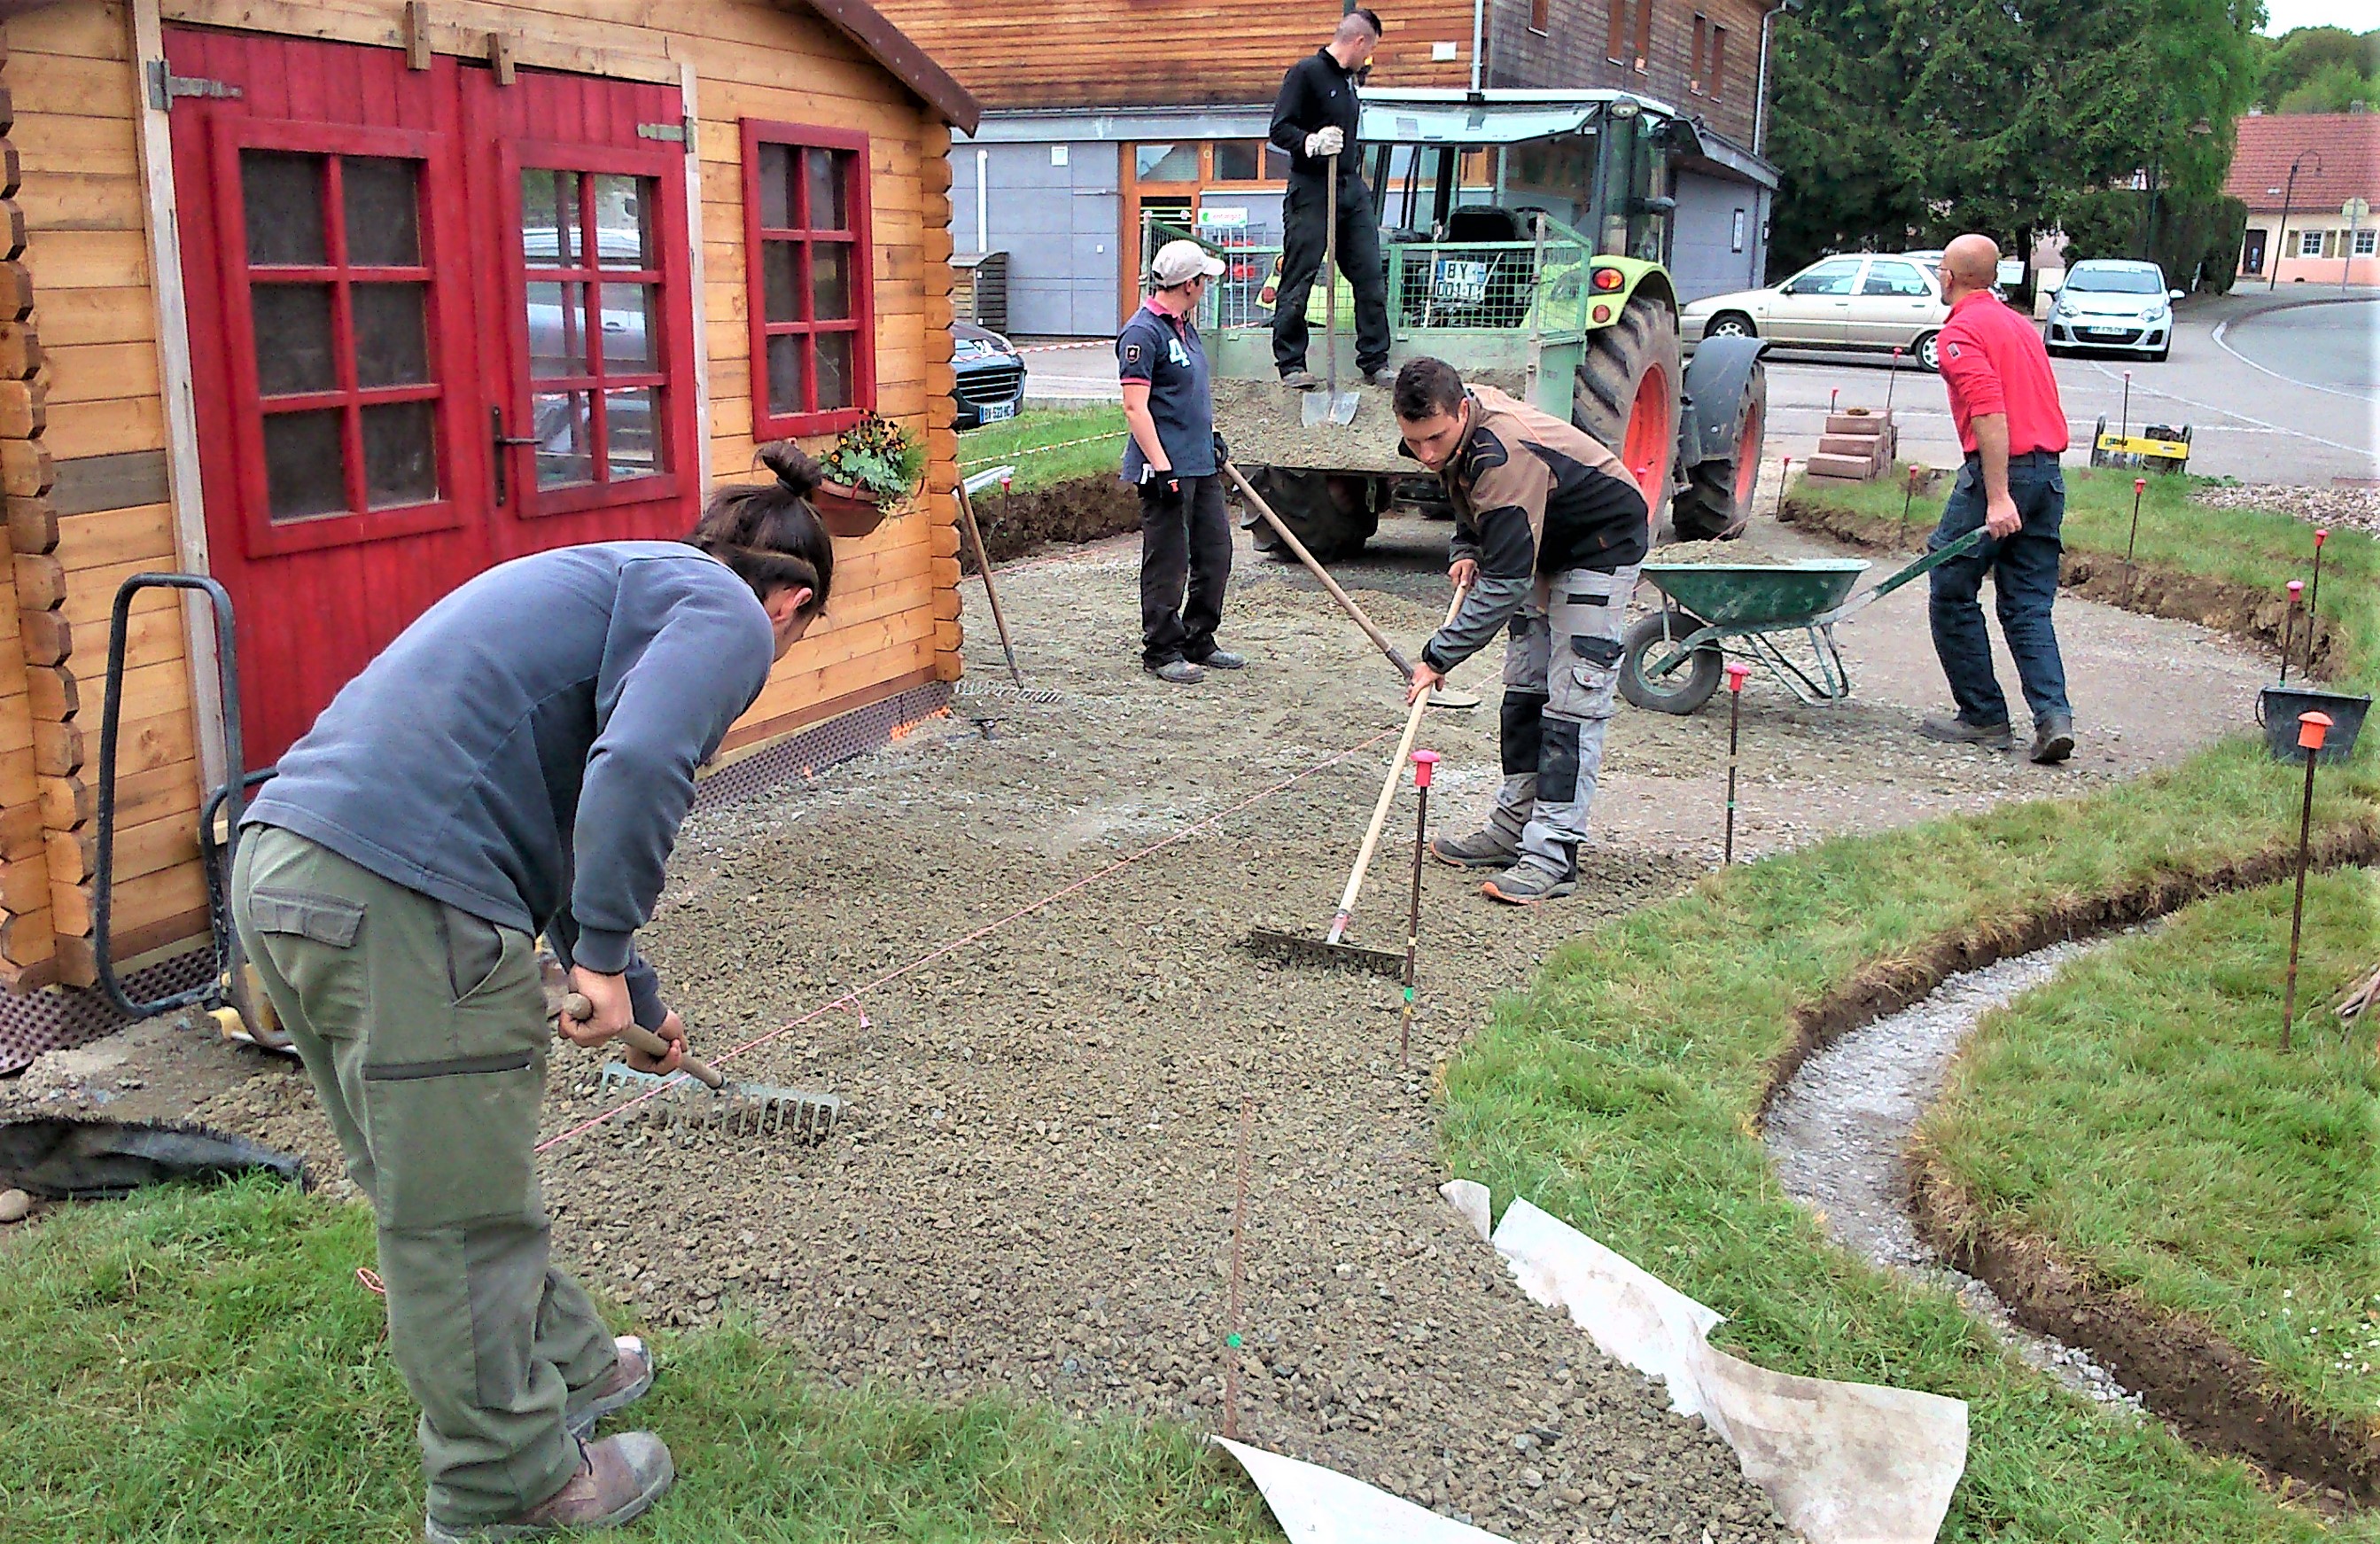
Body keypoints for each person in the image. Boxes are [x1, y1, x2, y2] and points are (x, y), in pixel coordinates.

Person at [230, 445, 836, 1541]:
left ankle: (569, 1361)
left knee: (435, 1172)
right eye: (792, 639)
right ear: (790, 602)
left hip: (288, 861)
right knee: (451, 1214)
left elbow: (557, 813)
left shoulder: (617, 581)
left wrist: (635, 997)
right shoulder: (727, 612)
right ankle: (504, 1481)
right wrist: (600, 953)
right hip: (405, 897)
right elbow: (642, 759)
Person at [1394, 357, 1648, 904]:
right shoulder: (1456, 433)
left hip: (1600, 543)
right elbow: (1465, 486)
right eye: (1414, 443)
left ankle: (1553, 854)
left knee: (1572, 703)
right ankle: (1512, 830)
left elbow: (1506, 582)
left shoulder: (1504, 452)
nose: (1428, 454)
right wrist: (1466, 544)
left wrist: (1439, 656)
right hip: (1541, 540)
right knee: (1525, 690)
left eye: (1435, 438)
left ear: (1462, 410)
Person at [1921, 232, 2075, 764]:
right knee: (2028, 605)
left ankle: (1983, 716)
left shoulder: (1960, 332)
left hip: (2006, 472)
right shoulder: (2017, 324)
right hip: (2049, 475)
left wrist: (1997, 497)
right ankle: (2054, 718)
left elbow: (1989, 412)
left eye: (1942, 267)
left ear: (1951, 277)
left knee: (1950, 585)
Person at [1120, 238, 1247, 683]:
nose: (1208, 286)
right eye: (1204, 280)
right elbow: (1136, 407)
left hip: (1200, 462)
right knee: (1168, 561)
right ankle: (1161, 649)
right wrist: (1162, 466)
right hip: (1165, 468)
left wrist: (1209, 435)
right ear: (1189, 284)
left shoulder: (1184, 327)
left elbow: (1188, 395)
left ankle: (1199, 637)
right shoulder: (1143, 333)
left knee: (1215, 553)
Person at [1268, 10, 1392, 390]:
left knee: (1369, 272)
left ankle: (1375, 360)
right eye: (1369, 49)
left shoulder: (1348, 83)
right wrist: (1312, 142)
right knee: (1300, 272)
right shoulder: (1306, 74)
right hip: (1311, 188)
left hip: (1350, 187)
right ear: (1359, 42)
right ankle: (1291, 363)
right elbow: (1279, 129)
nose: (1368, 58)